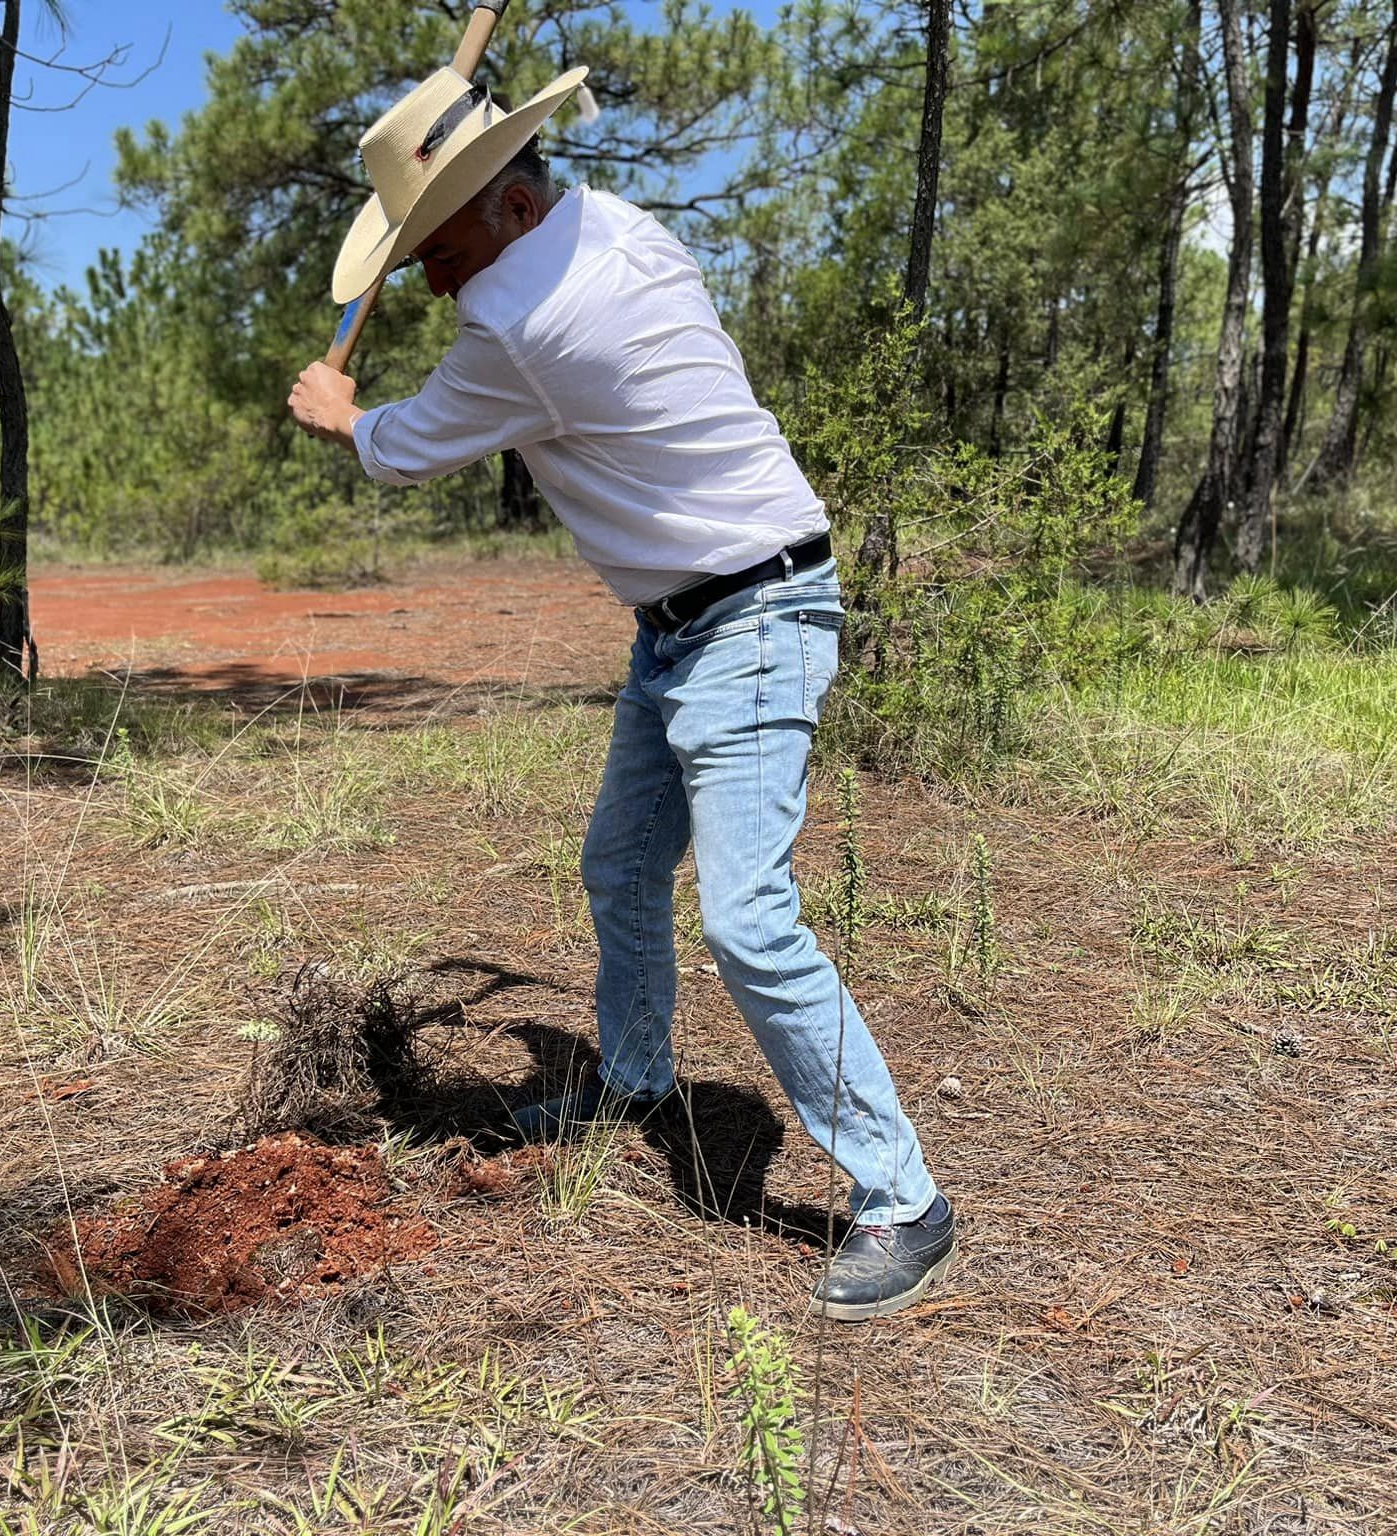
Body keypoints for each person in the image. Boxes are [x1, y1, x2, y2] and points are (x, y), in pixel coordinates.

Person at [287, 65, 952, 1322]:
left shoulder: (521, 330)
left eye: (434, 246)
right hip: (687, 622)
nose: (426, 280)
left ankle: (902, 1197)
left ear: (508, 209)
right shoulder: (615, 225)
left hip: (749, 620)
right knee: (619, 864)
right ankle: (635, 1079)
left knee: (748, 919)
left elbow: (400, 450)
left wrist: (338, 411)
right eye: (415, 254)